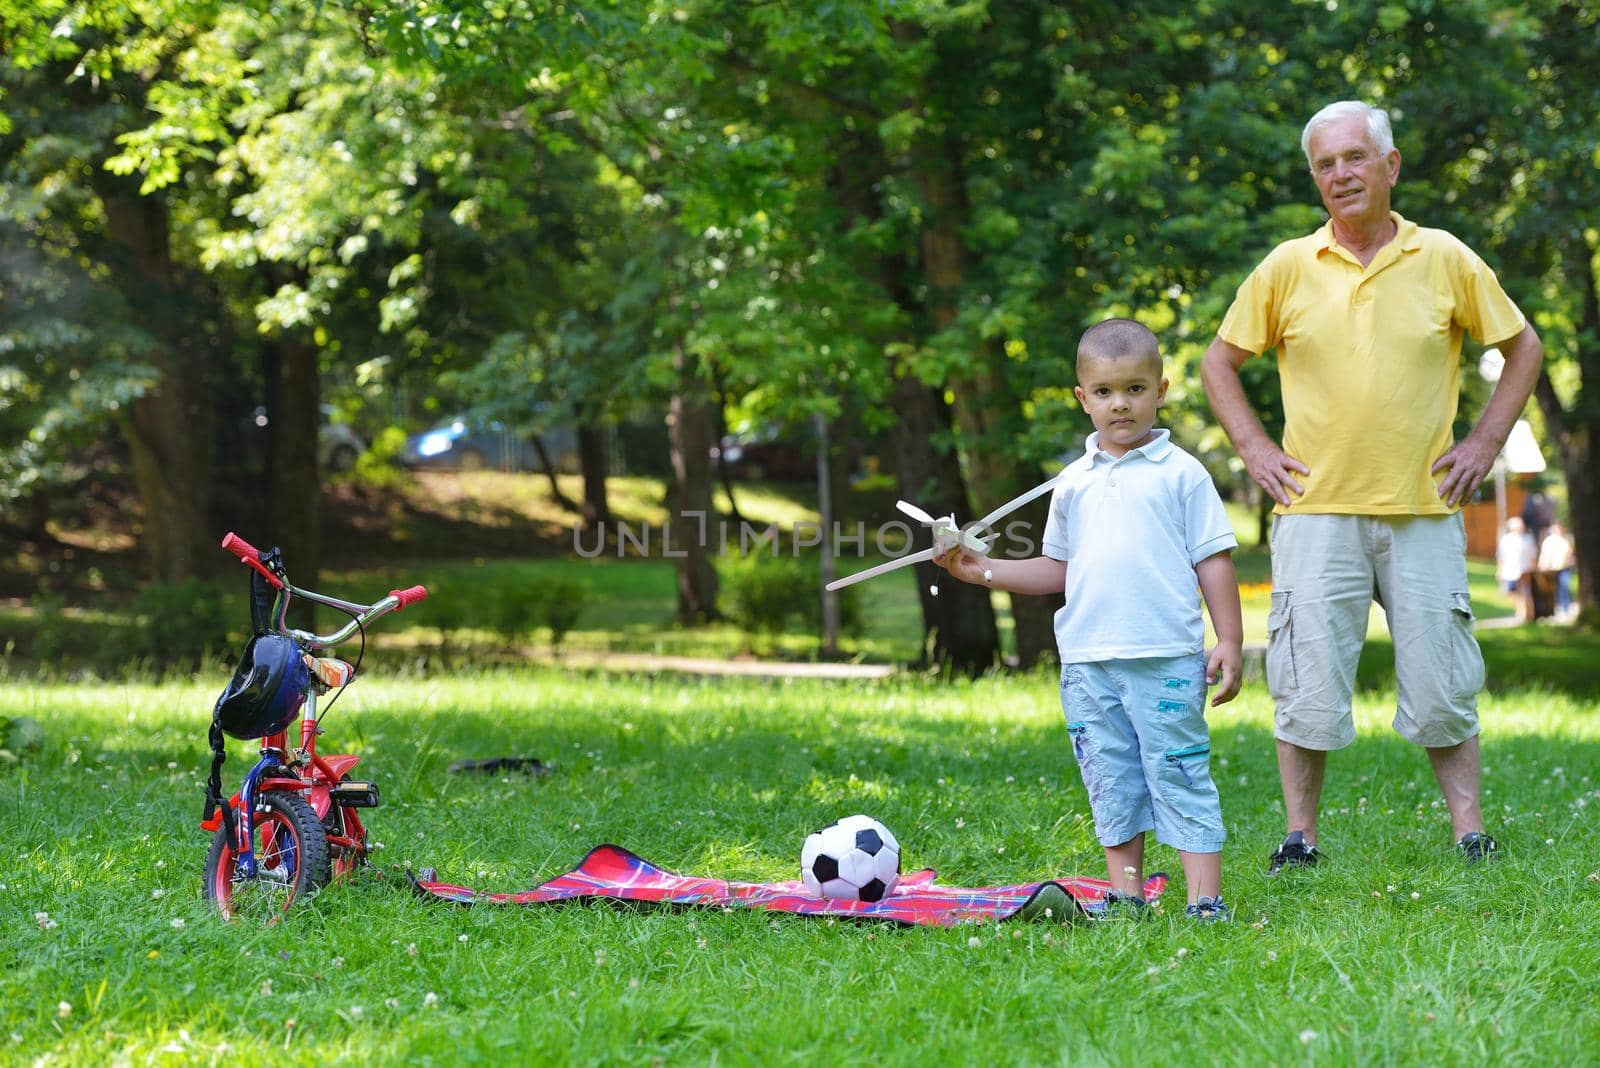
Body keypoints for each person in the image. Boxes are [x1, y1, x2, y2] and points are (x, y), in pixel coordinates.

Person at [1201, 100, 1544, 871]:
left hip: (1426, 507)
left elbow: (1524, 347)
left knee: (1443, 682)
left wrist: (1486, 439)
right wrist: (1253, 447)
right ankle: (1301, 837)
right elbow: (1217, 364)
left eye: (1354, 158)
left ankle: (1469, 832)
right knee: (1307, 685)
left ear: (1390, 166)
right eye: (1324, 164)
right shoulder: (1287, 266)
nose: (1339, 174)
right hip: (1317, 509)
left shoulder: (1446, 257)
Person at [935, 318, 1243, 921]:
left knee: (1178, 773)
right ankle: (1127, 899)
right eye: (1104, 392)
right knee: (1111, 780)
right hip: (1087, 663)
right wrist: (981, 571)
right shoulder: (1071, 483)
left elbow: (1214, 558)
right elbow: (1058, 570)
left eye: (1134, 389)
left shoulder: (1183, 474)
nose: (1120, 403)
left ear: (1161, 390)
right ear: (1083, 399)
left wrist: (1229, 638)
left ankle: (1205, 902)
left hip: (1164, 658)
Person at [1497, 516, 1537, 623]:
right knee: (1511, 592)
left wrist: (1534, 569)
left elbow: (1533, 555)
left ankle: (1526, 614)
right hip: (1510, 571)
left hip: (1525, 570)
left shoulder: (1527, 539)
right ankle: (1520, 610)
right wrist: (1499, 570)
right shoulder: (1505, 540)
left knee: (1526, 593)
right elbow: (1501, 557)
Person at [1538, 521, 1576, 621]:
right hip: (1553, 568)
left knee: (1565, 586)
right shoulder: (1548, 541)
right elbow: (1544, 554)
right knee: (1556, 588)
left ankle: (1566, 607)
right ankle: (1558, 606)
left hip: (1565, 567)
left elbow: (1571, 553)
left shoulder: (1566, 539)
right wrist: (1542, 564)